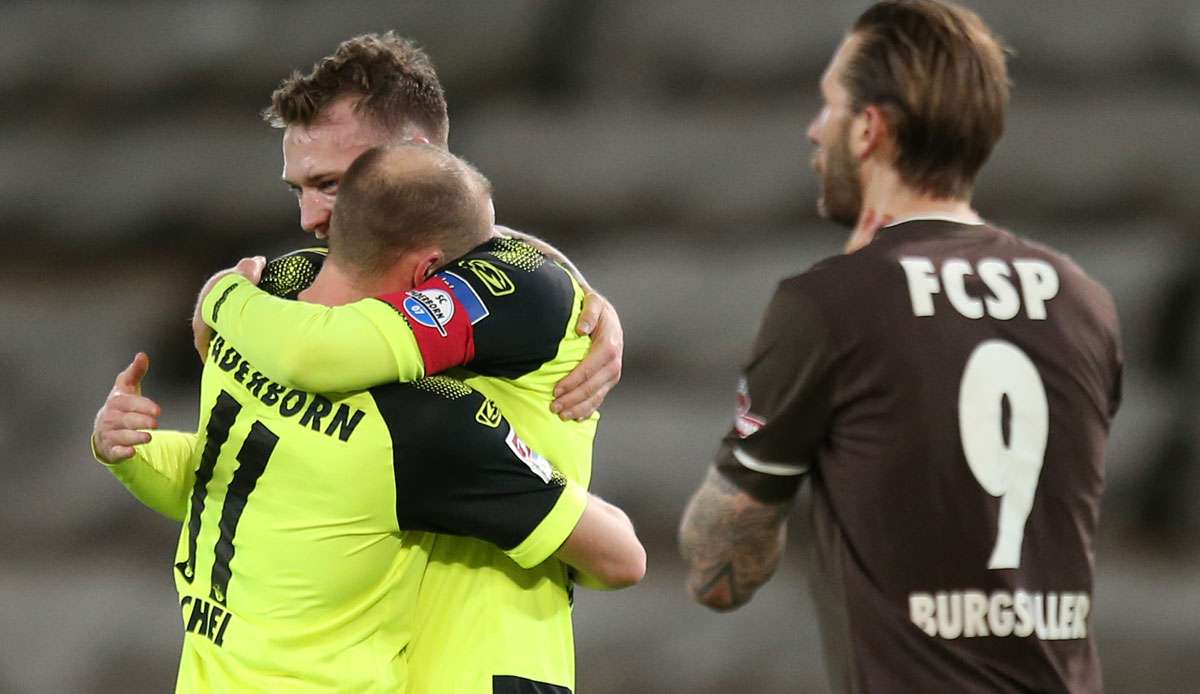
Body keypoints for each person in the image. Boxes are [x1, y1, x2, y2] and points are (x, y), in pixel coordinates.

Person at [679, 2, 1123, 692]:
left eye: (829, 105)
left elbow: (720, 572)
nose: (814, 129)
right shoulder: (1084, 301)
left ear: (870, 129)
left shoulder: (831, 304)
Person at [91, 145, 644, 692]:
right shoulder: (424, 422)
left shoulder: (247, 329)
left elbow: (225, 477)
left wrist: (135, 446)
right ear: (430, 271)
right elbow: (622, 559)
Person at [183, 34, 620, 693]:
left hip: (488, 666)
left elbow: (320, 352)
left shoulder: (519, 286)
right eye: (299, 188)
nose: (308, 217)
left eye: (331, 183)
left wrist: (222, 296)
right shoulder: (351, 285)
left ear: (412, 158)